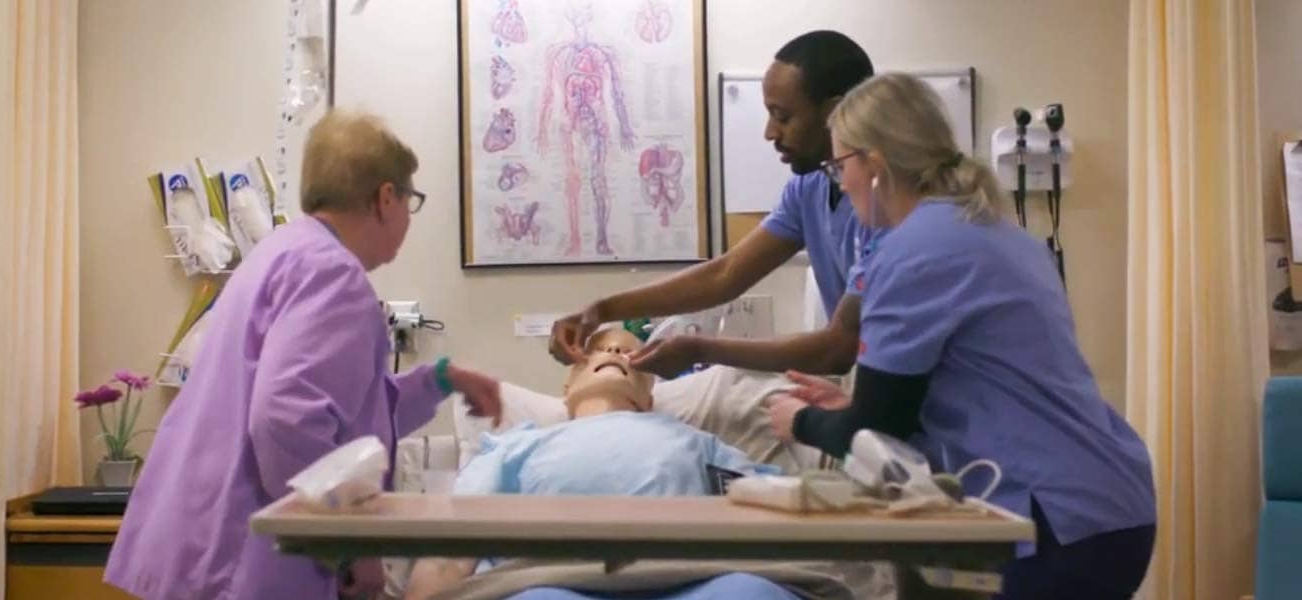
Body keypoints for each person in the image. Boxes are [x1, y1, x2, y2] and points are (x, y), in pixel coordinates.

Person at [762, 72, 1156, 599]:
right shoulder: (997, 231)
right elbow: (968, 385)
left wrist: (803, 421)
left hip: (1056, 522)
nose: (840, 182)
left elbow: (880, 427)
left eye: (840, 167)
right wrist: (849, 405)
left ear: (874, 167)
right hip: (1111, 505)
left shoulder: (911, 251)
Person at [104, 109, 504, 600]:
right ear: (385, 198)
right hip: (244, 559)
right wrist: (351, 545)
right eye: (410, 200)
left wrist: (441, 379)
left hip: (200, 542)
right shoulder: (335, 276)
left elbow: (350, 412)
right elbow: (285, 419)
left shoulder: (281, 254)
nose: (407, 216)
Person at [549, 30, 882, 379]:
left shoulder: (889, 207)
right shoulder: (809, 186)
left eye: (783, 117)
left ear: (835, 113)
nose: (770, 132)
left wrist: (701, 349)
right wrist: (602, 310)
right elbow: (725, 274)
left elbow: (838, 349)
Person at [404, 328, 799, 600]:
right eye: (598, 350)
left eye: (631, 353)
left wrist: (811, 425)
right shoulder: (514, 447)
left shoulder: (698, 443)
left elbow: (775, 512)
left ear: (650, 396)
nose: (613, 353)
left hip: (694, 577)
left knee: (751, 592)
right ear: (567, 389)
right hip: (551, 579)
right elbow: (451, 546)